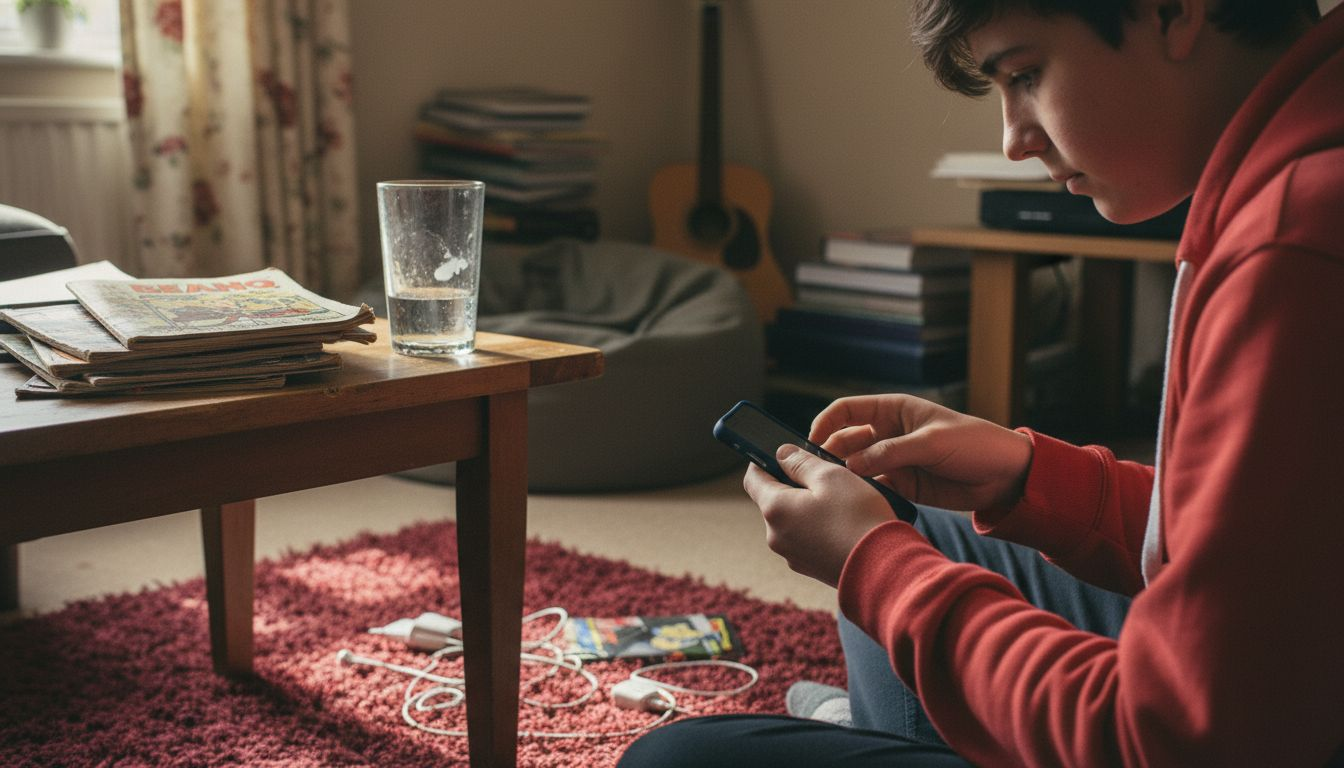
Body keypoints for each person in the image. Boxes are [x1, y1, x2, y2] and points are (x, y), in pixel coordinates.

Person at [619, 0, 1344, 764]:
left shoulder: (1292, 250)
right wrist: (1028, 477)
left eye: (1026, 73)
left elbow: (1174, 742)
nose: (1013, 142)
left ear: (1172, 10)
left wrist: (875, 568)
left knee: (672, 760)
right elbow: (1276, 546)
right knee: (928, 526)